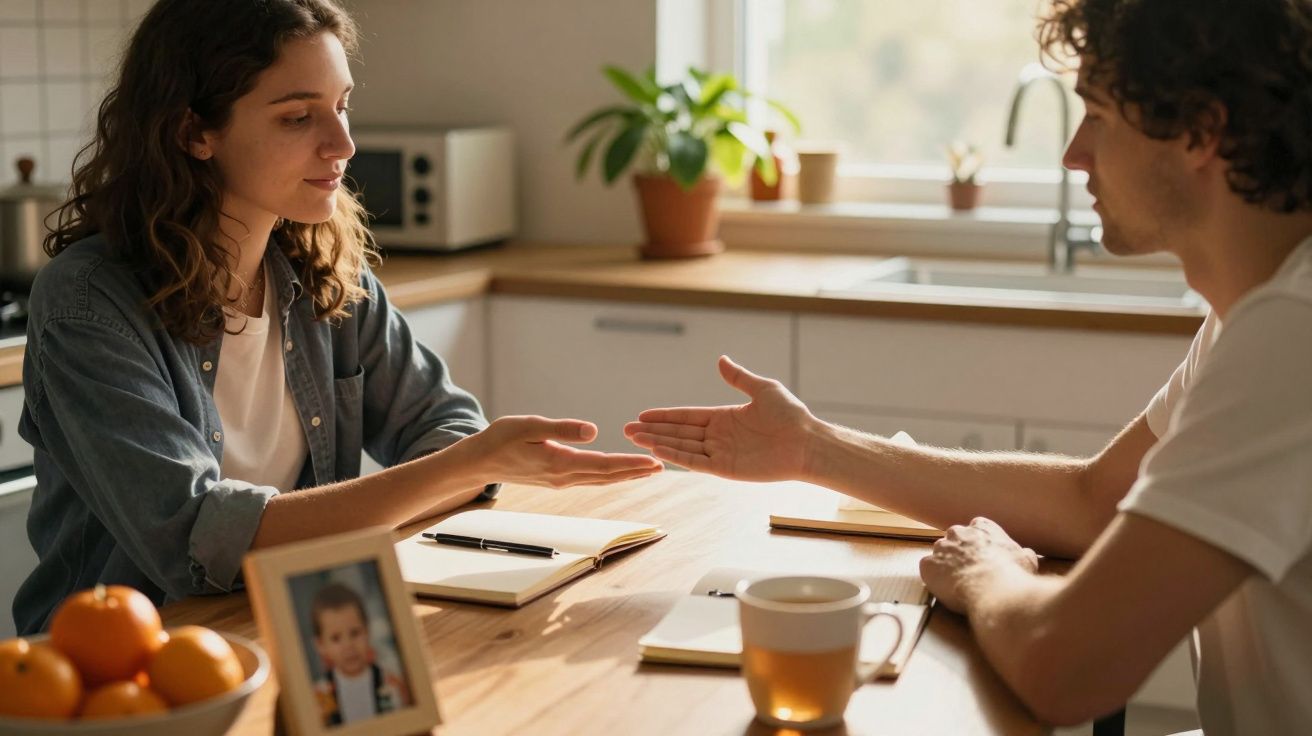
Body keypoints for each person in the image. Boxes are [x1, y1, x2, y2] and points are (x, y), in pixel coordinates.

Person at [625, 1, 1312, 733]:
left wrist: (990, 572)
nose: (1074, 154)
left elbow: (1064, 666)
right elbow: (1094, 500)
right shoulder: (1256, 313)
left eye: (1100, 116)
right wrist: (811, 448)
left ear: (1200, 132)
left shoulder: (1292, 331)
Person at [13, 0, 661, 636]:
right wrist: (463, 465)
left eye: (342, 105)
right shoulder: (88, 303)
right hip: (120, 678)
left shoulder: (324, 270)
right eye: (299, 117)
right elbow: (194, 539)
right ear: (193, 133)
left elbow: (444, 424)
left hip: (297, 631)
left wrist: (467, 458)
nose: (344, 143)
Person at [308, 582, 410, 725]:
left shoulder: (392, 684)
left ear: (367, 631)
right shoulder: (320, 695)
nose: (348, 646)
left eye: (355, 633)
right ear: (321, 645)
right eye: (336, 638)